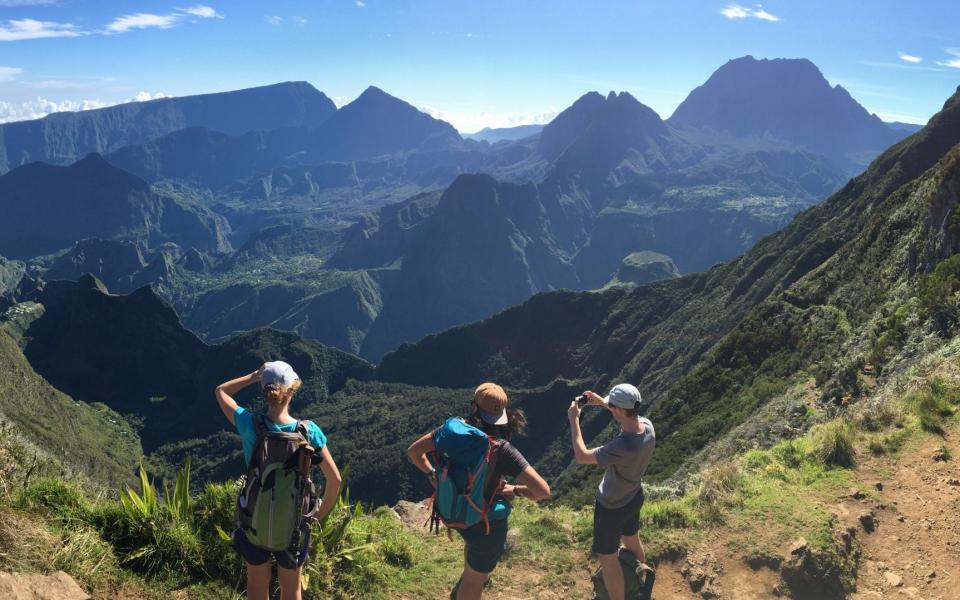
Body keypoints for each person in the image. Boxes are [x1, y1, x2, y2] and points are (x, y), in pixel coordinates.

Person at [406, 383, 551, 600]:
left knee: (472, 559)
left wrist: (431, 475)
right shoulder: (502, 449)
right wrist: (516, 490)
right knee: (475, 580)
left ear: (474, 407)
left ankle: (470, 571)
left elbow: (414, 452)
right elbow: (542, 491)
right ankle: (472, 577)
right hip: (486, 525)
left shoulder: (449, 431)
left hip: (453, 511)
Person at [215, 361, 342, 600]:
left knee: (256, 587)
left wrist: (253, 376)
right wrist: (314, 518)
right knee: (291, 589)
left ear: (264, 391)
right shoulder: (309, 431)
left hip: (254, 520)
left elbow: (220, 391)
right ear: (292, 391)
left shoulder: (249, 424)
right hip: (294, 526)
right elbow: (334, 480)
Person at [568, 383, 656, 600]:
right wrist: (602, 402)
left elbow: (582, 456)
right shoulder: (647, 426)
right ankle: (640, 586)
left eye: (613, 406)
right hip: (633, 496)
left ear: (619, 410)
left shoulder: (623, 445)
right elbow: (626, 413)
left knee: (608, 558)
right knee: (632, 540)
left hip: (611, 505)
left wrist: (574, 420)